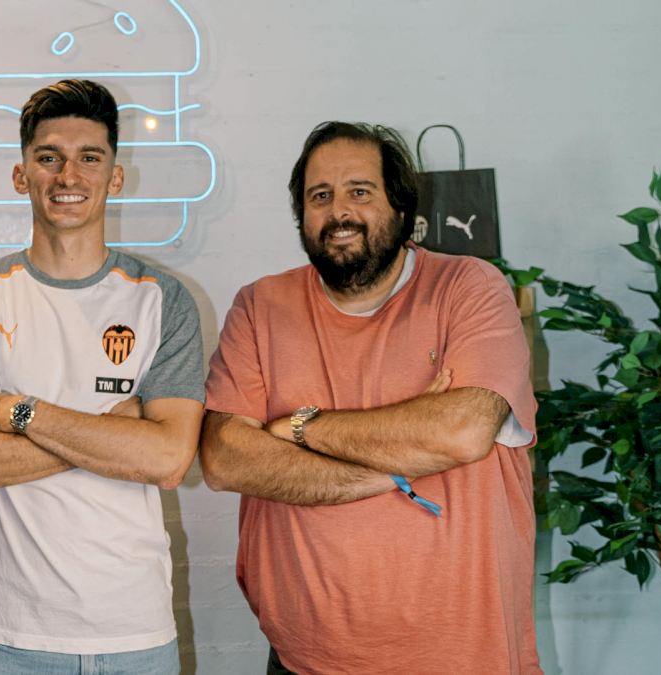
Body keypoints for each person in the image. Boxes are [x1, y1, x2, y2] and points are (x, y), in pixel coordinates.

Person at [200, 121, 540, 674]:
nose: (339, 212)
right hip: (304, 659)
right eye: (320, 196)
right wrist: (396, 469)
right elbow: (224, 459)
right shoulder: (260, 306)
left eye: (360, 191)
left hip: (459, 659)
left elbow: (461, 432)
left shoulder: (469, 288)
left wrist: (300, 428)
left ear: (401, 208)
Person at [0, 79, 205, 674]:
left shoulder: (163, 300)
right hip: (4, 633)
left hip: (134, 630)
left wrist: (18, 414)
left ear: (115, 178)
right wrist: (113, 434)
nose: (68, 175)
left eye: (89, 158)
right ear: (21, 174)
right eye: (48, 158)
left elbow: (168, 459)